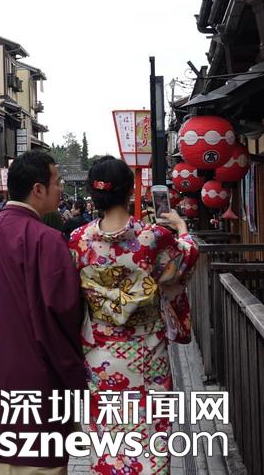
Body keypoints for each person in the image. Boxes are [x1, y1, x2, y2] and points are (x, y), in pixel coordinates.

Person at [68, 156, 199, 474]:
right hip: (147, 352)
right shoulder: (153, 238)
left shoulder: (78, 240)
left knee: (107, 431)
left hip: (99, 353)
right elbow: (185, 261)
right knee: (150, 429)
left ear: (94, 194)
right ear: (130, 191)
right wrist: (182, 228)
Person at [0, 150, 86, 474]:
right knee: (39, 461)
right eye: (57, 182)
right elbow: (65, 310)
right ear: (38, 189)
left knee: (1, 460)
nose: (60, 189)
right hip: (36, 373)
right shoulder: (47, 239)